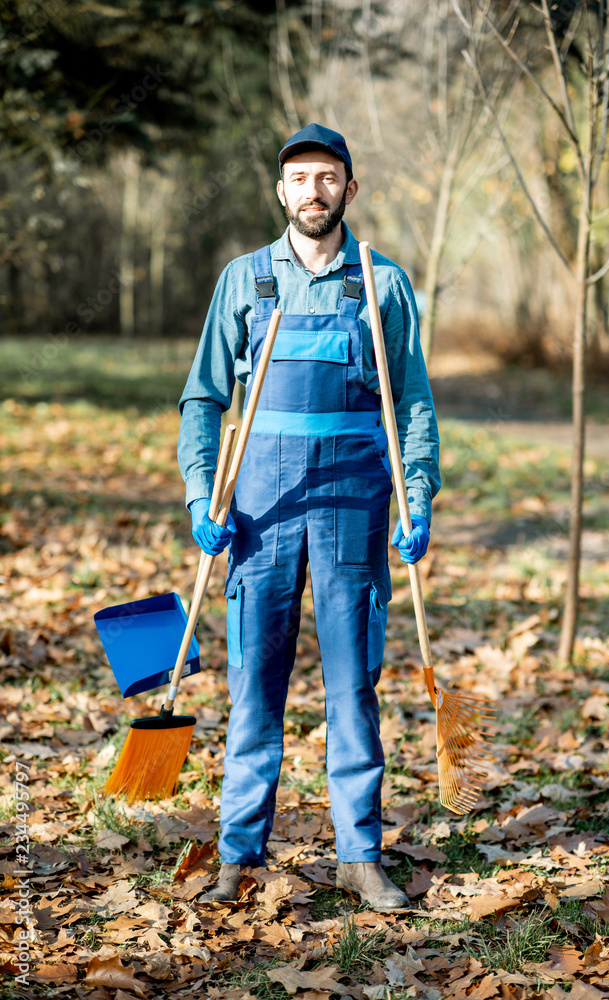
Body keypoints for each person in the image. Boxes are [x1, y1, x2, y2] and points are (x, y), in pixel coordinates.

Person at [178, 123, 440, 911]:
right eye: (298, 179)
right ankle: (237, 854)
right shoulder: (245, 280)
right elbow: (202, 399)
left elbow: (414, 402)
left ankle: (359, 854)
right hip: (259, 508)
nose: (313, 191)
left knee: (352, 684)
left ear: (349, 191)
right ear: (281, 191)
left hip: (353, 507)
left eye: (328, 178)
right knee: (254, 684)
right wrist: (200, 496)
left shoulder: (381, 282)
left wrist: (417, 492)